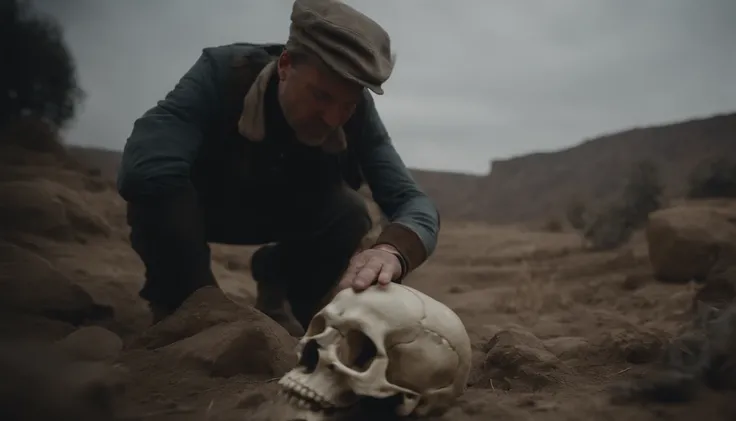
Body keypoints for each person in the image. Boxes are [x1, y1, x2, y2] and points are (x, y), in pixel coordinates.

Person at [116, 0, 440, 336]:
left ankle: (283, 294)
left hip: (287, 215)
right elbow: (145, 165)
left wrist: (392, 251)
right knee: (157, 190)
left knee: (350, 214)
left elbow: (413, 202)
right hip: (199, 211)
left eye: (347, 104)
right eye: (321, 96)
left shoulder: (358, 114)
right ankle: (176, 301)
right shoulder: (223, 74)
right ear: (285, 65)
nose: (333, 118)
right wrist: (202, 298)